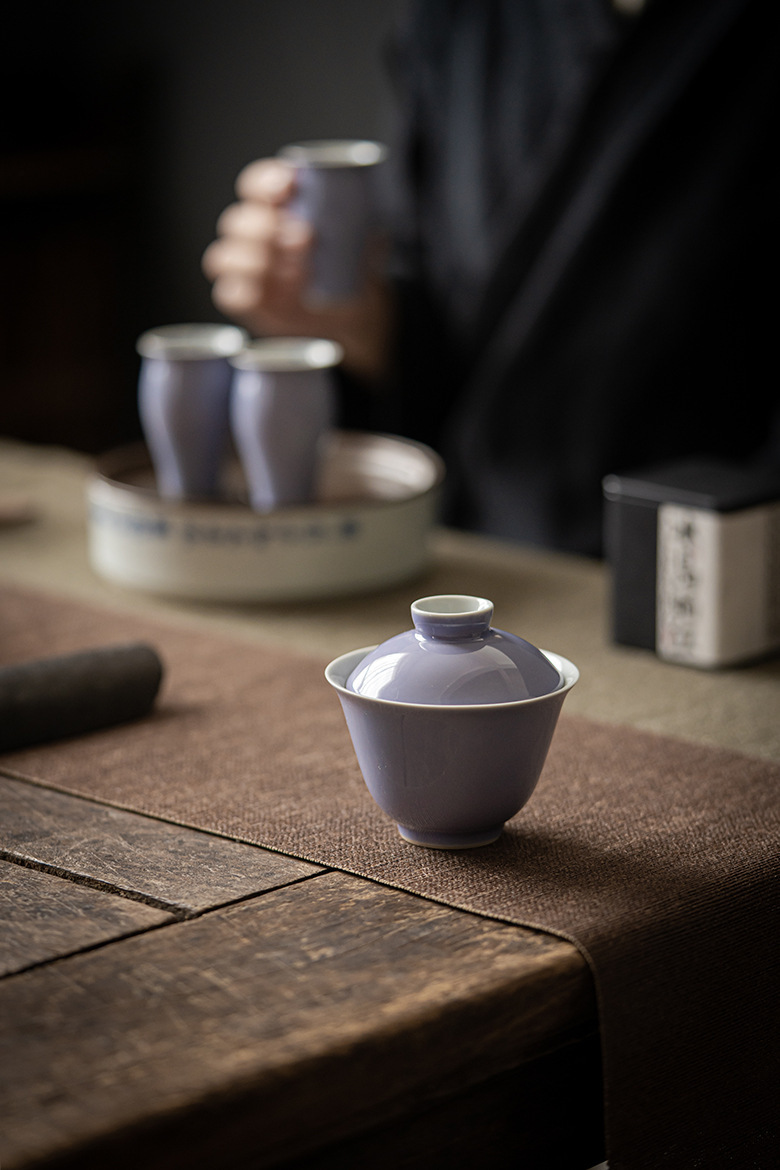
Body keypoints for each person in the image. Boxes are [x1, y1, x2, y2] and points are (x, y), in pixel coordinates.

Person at [202, 0, 778, 556]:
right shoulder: (460, 16)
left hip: (710, 577)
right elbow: (436, 319)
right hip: (463, 555)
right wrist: (360, 324)